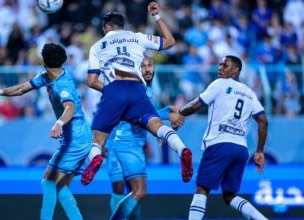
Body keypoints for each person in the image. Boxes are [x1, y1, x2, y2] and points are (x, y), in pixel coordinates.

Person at [84, 1, 193, 218]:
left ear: (106, 28)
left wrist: (109, 90)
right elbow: (170, 42)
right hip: (136, 87)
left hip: (115, 89)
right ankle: (182, 150)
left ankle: (94, 158)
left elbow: (90, 81)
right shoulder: (137, 36)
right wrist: (156, 16)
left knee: (97, 140)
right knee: (156, 125)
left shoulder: (97, 46)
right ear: (122, 25)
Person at [0, 43, 90, 220]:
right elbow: (21, 89)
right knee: (60, 187)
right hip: (76, 136)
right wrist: (0, 91)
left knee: (48, 182)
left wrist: (58, 123)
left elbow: (70, 108)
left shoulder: (62, 84)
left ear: (44, 61)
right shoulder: (47, 76)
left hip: (76, 138)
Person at [178, 55, 268, 220]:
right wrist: (260, 151)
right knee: (229, 195)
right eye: (219, 65)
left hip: (219, 144)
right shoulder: (250, 93)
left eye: (224, 65)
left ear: (235, 70)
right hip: (241, 149)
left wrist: (179, 112)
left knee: (202, 189)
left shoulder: (219, 84)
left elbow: (195, 105)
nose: (220, 68)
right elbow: (263, 121)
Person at [106, 56, 184, 219]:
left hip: (132, 144)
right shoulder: (138, 89)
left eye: (150, 65)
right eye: (143, 66)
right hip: (124, 143)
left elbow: (147, 115)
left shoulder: (147, 90)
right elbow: (141, 117)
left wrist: (162, 120)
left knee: (134, 192)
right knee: (131, 190)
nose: (148, 69)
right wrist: (167, 116)